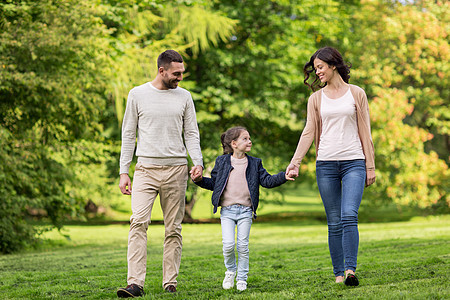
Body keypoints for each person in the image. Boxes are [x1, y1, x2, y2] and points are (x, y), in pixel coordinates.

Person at [117, 50, 204, 298]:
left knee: (173, 228)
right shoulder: (137, 94)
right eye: (176, 74)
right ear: (161, 70)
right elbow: (128, 135)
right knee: (138, 222)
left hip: (176, 169)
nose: (180, 78)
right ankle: (135, 283)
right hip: (145, 169)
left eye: (182, 73)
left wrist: (197, 162)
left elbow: (191, 133)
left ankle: (170, 282)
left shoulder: (185, 97)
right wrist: (124, 171)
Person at [286, 46, 376, 286]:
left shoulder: (356, 93)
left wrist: (370, 165)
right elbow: (309, 132)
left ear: (333, 65)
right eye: (315, 69)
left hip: (354, 162)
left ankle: (350, 270)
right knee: (334, 220)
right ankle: (338, 273)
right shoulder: (315, 98)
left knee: (349, 215)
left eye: (321, 67)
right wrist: (295, 162)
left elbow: (365, 131)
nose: (317, 73)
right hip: (325, 163)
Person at [191, 126, 294, 291]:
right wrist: (199, 180)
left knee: (243, 246)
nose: (249, 141)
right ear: (234, 143)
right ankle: (231, 271)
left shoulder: (254, 163)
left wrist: (283, 176)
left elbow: (267, 181)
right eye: (245, 138)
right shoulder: (222, 161)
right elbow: (214, 184)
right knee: (228, 245)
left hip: (246, 211)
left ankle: (241, 278)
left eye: (249, 138)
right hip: (227, 211)